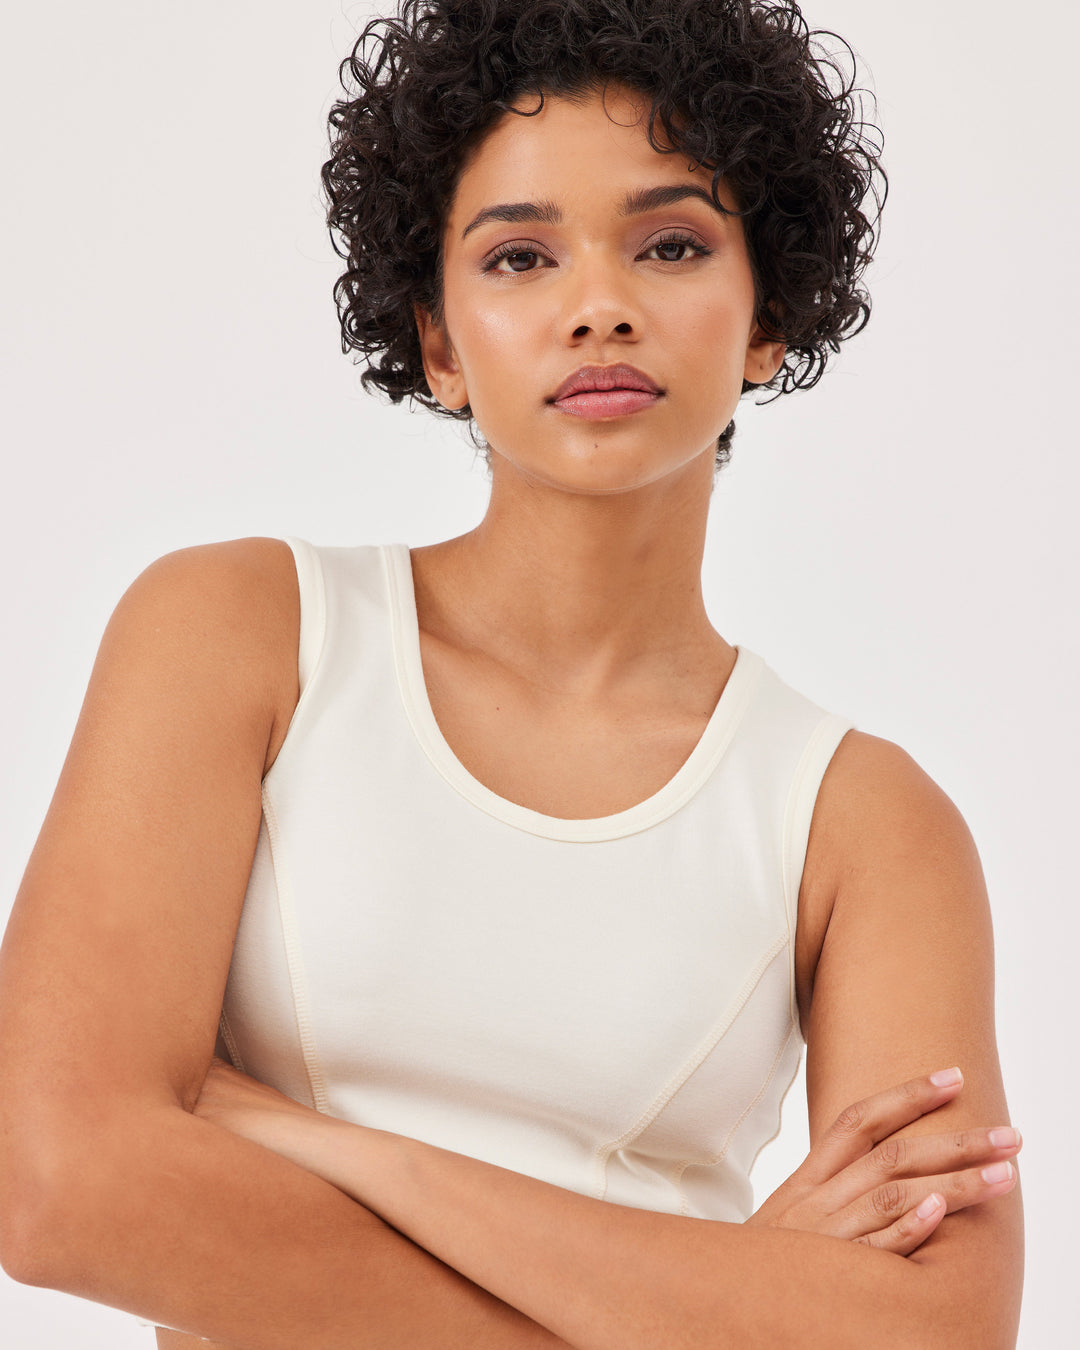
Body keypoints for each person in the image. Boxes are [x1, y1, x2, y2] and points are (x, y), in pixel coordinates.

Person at [0, 1, 1024, 1346]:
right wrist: (715, 1297)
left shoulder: (869, 826)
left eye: (670, 243)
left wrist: (362, 1152)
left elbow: (932, 1333)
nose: (599, 306)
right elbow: (56, 1185)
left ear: (769, 318)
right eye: (521, 256)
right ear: (438, 343)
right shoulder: (242, 633)